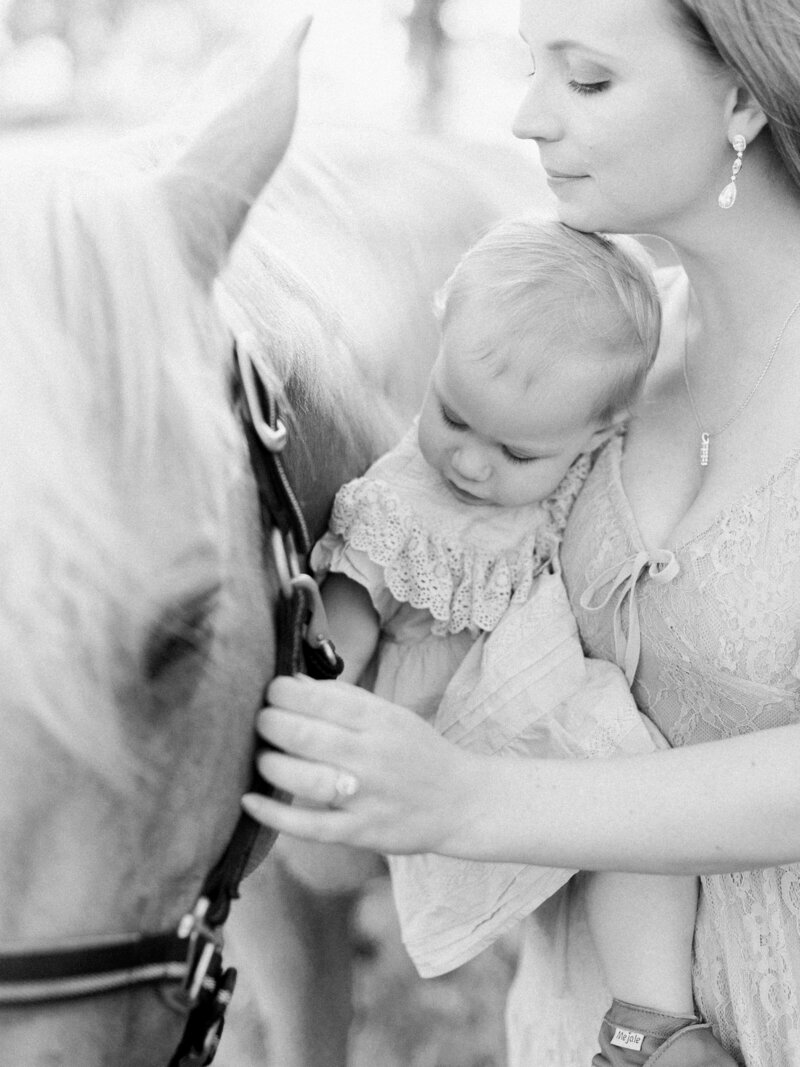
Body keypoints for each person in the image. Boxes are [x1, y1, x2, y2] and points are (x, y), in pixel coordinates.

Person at [241, 0, 800, 1063]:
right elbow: (435, 545)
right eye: (527, 67)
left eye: (584, 80)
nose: (526, 119)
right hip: (575, 1027)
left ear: (738, 91)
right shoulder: (597, 357)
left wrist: (465, 799)